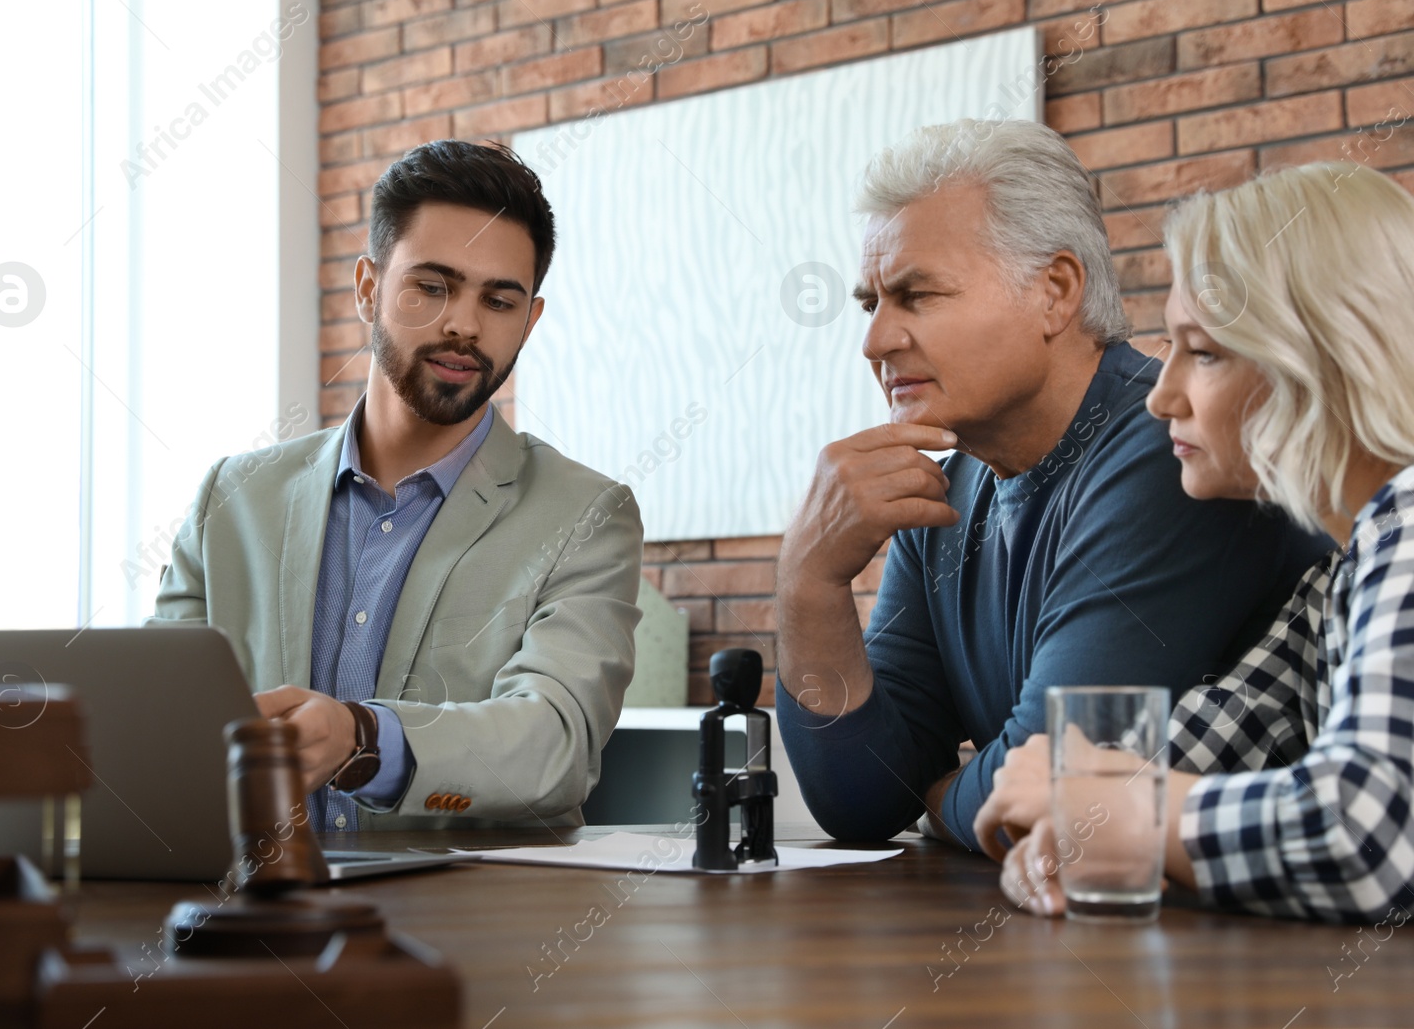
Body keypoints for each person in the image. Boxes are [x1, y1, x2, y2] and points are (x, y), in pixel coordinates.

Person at [774, 119, 1333, 848]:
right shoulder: (940, 489)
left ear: (1056, 291)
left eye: (917, 295)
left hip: (1245, 949)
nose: (875, 341)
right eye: (870, 303)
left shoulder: (1174, 452)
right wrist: (807, 579)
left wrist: (938, 800)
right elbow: (865, 797)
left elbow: (1054, 790)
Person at [150, 140, 643, 831]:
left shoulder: (586, 515)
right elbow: (154, 726)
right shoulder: (230, 500)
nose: (464, 324)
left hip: (459, 932)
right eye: (431, 286)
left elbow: (553, 746)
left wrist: (363, 738)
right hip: (244, 919)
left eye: (498, 300)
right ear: (368, 288)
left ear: (529, 321)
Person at [974, 162, 1414, 923]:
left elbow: (1365, 835)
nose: (1160, 394)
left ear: (1322, 366)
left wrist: (1100, 799)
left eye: (1203, 352)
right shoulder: (1339, 583)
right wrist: (1082, 815)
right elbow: (1195, 750)